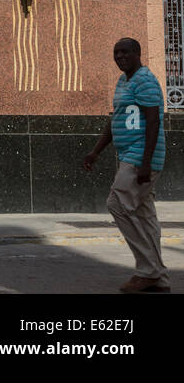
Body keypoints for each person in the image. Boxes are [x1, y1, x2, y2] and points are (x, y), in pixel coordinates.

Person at [81, 37, 170, 293]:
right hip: (130, 155)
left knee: (117, 204)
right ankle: (158, 278)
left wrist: (145, 163)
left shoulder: (145, 80)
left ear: (137, 53)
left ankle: (149, 271)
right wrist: (95, 151)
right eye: (115, 53)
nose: (119, 57)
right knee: (144, 214)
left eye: (124, 52)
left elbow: (153, 122)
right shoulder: (124, 81)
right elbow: (116, 119)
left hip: (141, 156)